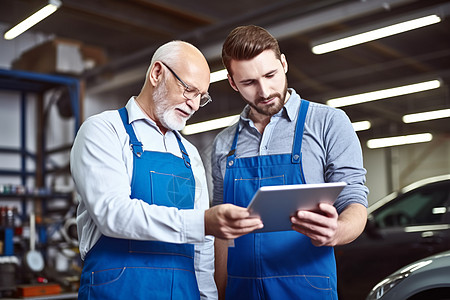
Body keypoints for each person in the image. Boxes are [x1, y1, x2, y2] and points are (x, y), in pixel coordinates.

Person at [70, 40, 263, 300]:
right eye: (189, 90)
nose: (194, 104)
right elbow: (112, 214)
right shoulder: (105, 131)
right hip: (117, 290)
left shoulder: (189, 154)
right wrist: (202, 222)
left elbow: (202, 248)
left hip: (182, 292)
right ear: (157, 73)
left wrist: (207, 297)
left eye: (201, 97)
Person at [211, 25, 369, 299]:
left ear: (283, 64)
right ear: (233, 83)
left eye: (271, 75)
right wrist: (221, 292)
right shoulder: (224, 144)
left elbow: (354, 199)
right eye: (248, 82)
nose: (264, 91)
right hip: (241, 290)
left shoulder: (328, 123)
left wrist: (337, 231)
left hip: (306, 288)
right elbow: (222, 233)